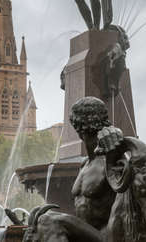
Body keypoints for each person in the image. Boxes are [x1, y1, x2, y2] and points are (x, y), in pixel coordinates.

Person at [26, 97, 124, 242]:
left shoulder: (112, 159)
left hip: (105, 237)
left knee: (48, 220)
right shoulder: (85, 164)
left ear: (77, 126)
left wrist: (118, 137)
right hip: (84, 235)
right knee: (41, 219)